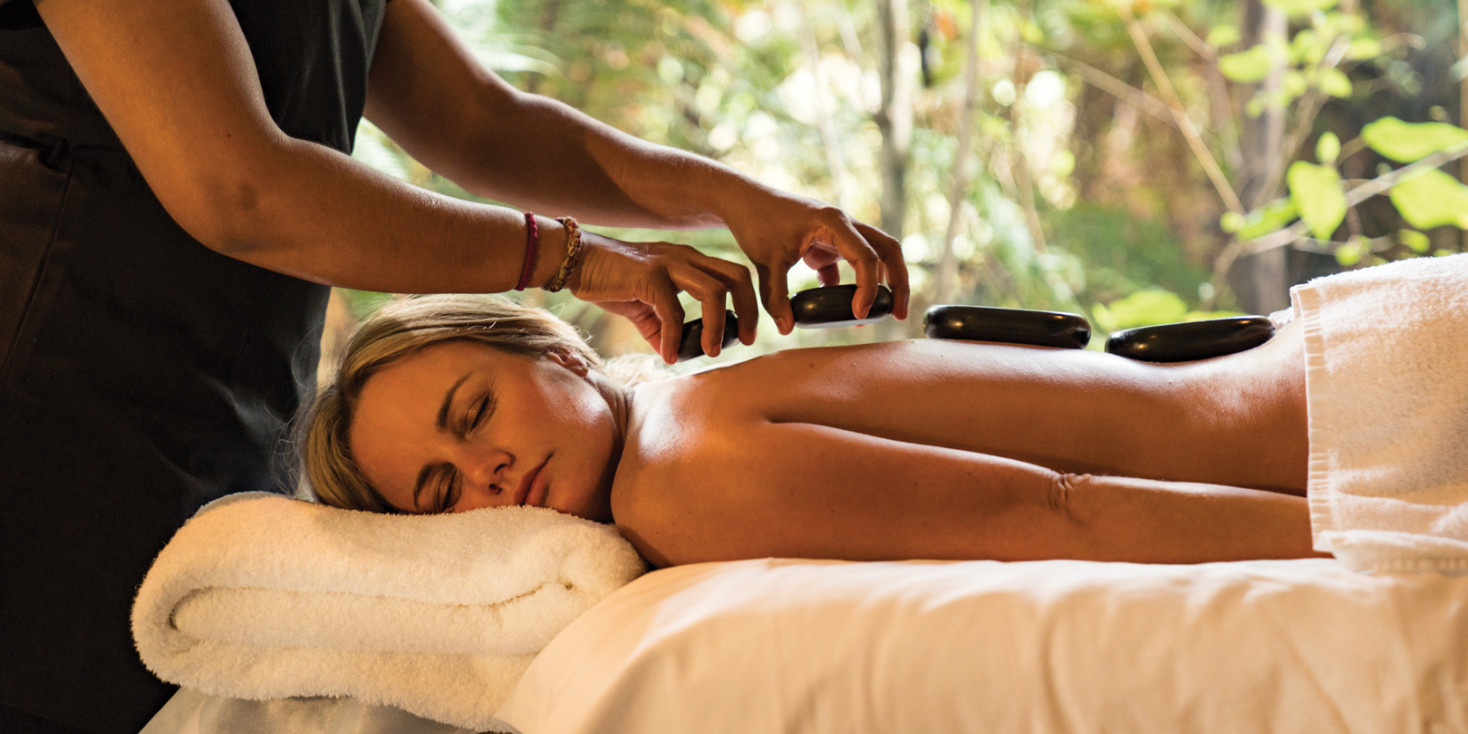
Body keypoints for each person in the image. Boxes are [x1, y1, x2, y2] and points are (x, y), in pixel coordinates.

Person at [0, 0, 906, 731]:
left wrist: (731, 195)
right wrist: (579, 260)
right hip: (55, 408)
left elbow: (482, 122)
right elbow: (241, 188)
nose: (490, 476)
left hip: (229, 432)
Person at [302, 293, 1325, 570]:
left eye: (473, 411)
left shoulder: (675, 476)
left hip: (1351, 414)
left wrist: (1389, 539)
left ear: (556, 352)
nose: (484, 471)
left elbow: (1063, 509)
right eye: (439, 491)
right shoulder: (687, 401)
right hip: (1320, 360)